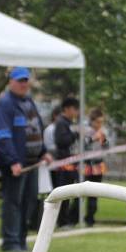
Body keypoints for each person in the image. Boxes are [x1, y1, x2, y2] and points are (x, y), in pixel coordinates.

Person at [0, 67, 51, 252]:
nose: (23, 84)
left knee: (29, 201)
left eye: (25, 80)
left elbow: (36, 129)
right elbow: (2, 135)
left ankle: (21, 240)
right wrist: (12, 161)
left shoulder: (28, 102)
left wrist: (43, 152)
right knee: (14, 202)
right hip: (17, 164)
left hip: (32, 162)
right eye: (19, 80)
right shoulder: (5, 104)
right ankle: (10, 242)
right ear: (11, 82)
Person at [53, 97, 81, 227]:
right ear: (67, 109)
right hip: (63, 164)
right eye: (75, 109)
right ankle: (61, 221)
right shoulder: (61, 123)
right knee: (63, 193)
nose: (77, 112)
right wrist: (75, 134)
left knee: (72, 192)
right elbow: (61, 141)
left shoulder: (70, 123)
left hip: (72, 163)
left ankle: (69, 219)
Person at [83, 108, 109, 226]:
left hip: (98, 166)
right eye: (97, 122)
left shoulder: (103, 132)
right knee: (82, 192)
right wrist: (93, 138)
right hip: (86, 165)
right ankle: (74, 217)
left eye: (101, 122)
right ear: (92, 121)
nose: (99, 125)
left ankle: (90, 218)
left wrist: (104, 141)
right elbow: (82, 144)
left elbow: (106, 148)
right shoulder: (86, 131)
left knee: (95, 194)